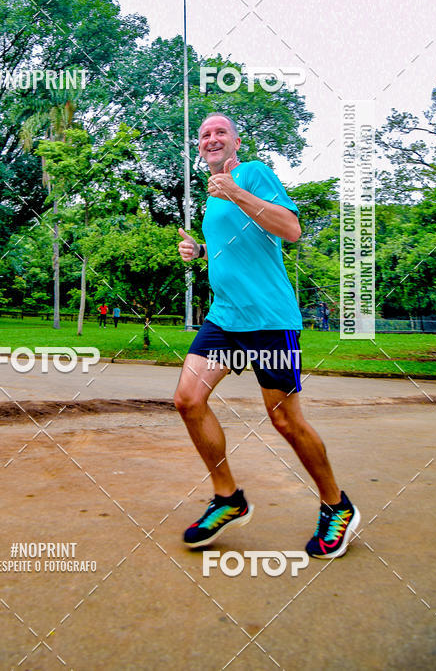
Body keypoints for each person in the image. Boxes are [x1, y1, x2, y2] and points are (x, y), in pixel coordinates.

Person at [175, 113, 360, 559]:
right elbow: (239, 248)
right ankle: (228, 499)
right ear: (199, 147)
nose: (211, 139)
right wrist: (199, 252)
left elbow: (290, 229)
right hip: (225, 318)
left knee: (285, 420)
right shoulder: (211, 194)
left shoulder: (252, 174)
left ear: (236, 142)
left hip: (269, 320)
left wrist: (237, 191)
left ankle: (338, 506)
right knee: (188, 400)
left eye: (220, 132)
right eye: (204, 135)